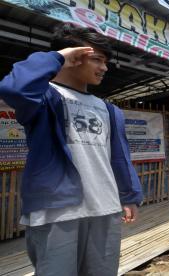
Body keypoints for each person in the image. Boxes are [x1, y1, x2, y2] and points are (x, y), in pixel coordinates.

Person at [0, 23, 143, 275]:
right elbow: (14, 88)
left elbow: (120, 158)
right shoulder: (43, 98)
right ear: (73, 57)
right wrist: (57, 58)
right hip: (56, 211)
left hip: (105, 208)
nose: (104, 68)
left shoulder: (110, 110)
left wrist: (129, 195)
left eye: (106, 61)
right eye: (97, 59)